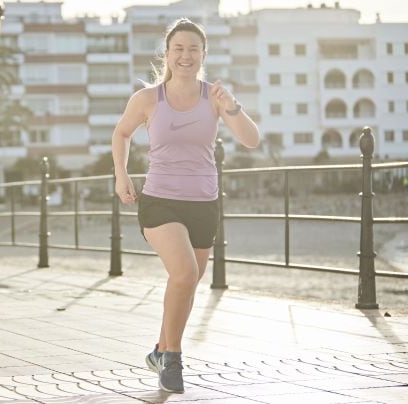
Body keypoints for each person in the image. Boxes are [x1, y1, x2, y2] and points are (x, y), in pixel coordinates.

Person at [111, 18, 260, 393]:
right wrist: (121, 175)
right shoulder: (147, 99)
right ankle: (173, 358)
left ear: (203, 54)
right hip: (160, 201)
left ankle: (160, 348)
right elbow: (122, 133)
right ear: (167, 53)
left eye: (194, 49)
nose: (186, 55)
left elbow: (251, 140)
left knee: (188, 281)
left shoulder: (215, 97)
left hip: (204, 203)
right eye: (179, 48)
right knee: (183, 273)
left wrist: (233, 107)